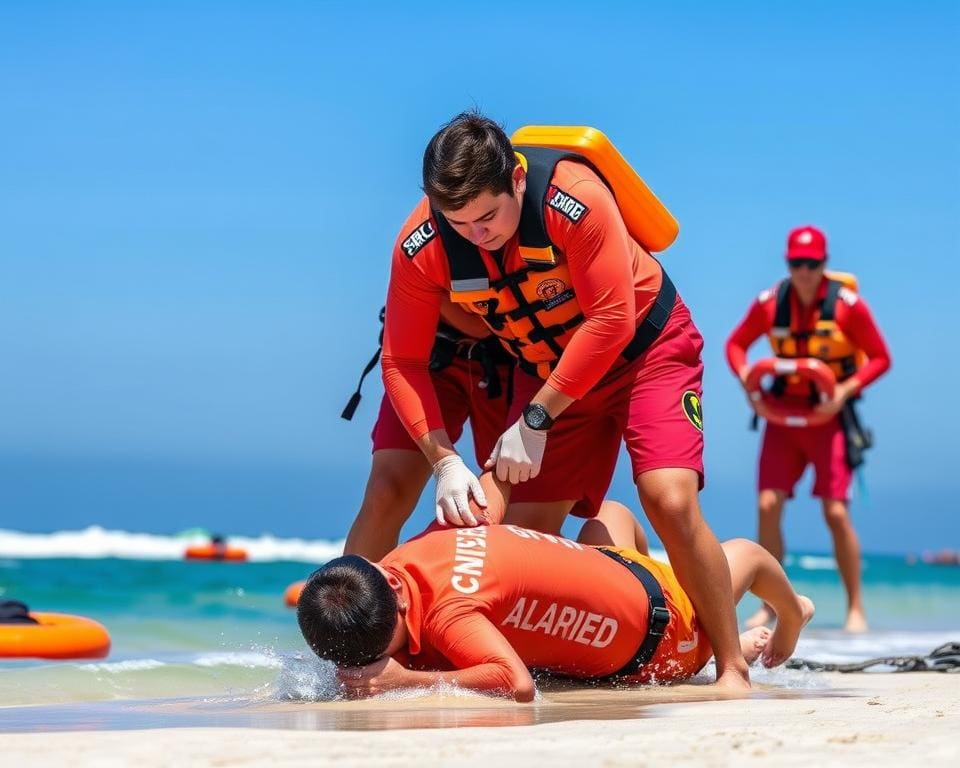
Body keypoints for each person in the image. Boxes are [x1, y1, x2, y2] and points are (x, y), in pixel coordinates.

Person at [380, 111, 749, 689]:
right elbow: (401, 360)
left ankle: (732, 665)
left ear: (517, 182)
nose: (476, 234)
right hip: (547, 371)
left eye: (488, 216)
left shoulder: (573, 197)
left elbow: (611, 318)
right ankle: (550, 656)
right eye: (459, 221)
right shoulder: (420, 243)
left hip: (646, 352)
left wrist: (535, 417)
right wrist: (445, 461)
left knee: (669, 499)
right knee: (522, 531)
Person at [297, 498, 814, 702]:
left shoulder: (450, 614)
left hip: (660, 640)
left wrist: (407, 679)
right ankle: (727, 629)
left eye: (384, 649)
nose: (382, 662)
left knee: (739, 557)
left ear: (395, 593)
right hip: (616, 567)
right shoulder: (405, 556)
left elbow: (516, 683)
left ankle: (786, 614)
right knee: (607, 513)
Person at [725, 225, 891, 632]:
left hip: (828, 418)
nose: (804, 271)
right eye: (797, 263)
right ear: (787, 264)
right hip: (781, 416)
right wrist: (749, 384)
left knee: (835, 512)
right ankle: (769, 603)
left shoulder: (849, 307)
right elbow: (735, 344)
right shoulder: (769, 304)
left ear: (824, 265)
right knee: (767, 505)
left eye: (812, 264)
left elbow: (880, 357)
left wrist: (844, 391)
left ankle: (855, 607)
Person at [344, 299, 513, 559]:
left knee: (513, 507)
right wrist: (445, 463)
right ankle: (347, 598)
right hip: (434, 353)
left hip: (520, 363)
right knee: (385, 492)